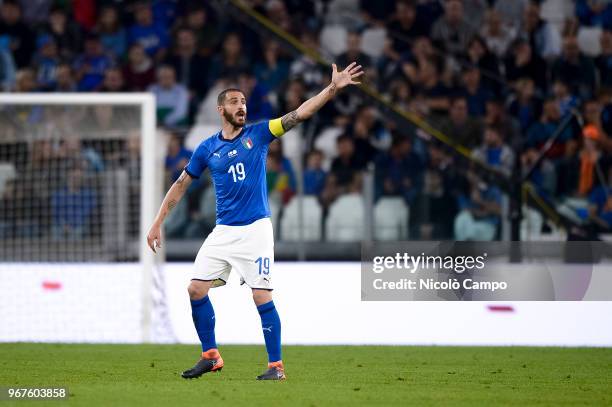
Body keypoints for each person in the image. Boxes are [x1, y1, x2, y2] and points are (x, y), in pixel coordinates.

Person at [146, 62, 363, 380]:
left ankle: (276, 366)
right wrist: (157, 222)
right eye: (234, 102)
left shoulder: (259, 134)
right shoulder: (207, 148)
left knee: (261, 296)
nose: (241, 107)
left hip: (255, 230)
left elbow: (299, 114)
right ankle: (211, 356)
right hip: (223, 231)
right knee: (195, 289)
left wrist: (331, 89)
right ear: (221, 109)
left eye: (244, 102)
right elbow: (181, 184)